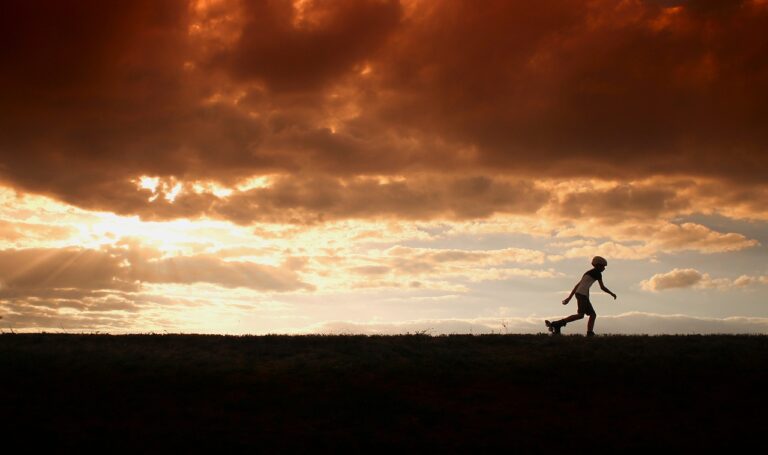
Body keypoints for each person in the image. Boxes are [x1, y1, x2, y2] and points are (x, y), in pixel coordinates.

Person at [545, 256, 616, 336]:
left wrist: (569, 298)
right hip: (582, 295)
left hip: (581, 294)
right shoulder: (597, 273)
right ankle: (556, 324)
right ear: (598, 265)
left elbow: (577, 286)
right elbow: (602, 287)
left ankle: (589, 332)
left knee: (592, 315)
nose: (604, 268)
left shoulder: (587, 273)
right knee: (581, 315)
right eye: (603, 266)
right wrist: (611, 293)